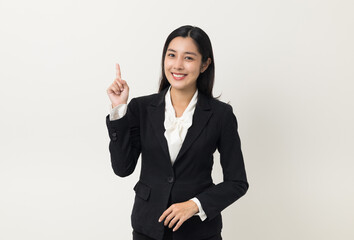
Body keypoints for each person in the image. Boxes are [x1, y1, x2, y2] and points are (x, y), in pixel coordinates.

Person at [105, 25, 249, 240]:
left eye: (188, 58)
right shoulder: (140, 108)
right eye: (172, 55)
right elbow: (122, 168)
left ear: (205, 64)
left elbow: (237, 183)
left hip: (199, 232)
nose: (178, 65)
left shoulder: (221, 115)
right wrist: (119, 110)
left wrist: (194, 205)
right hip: (148, 229)